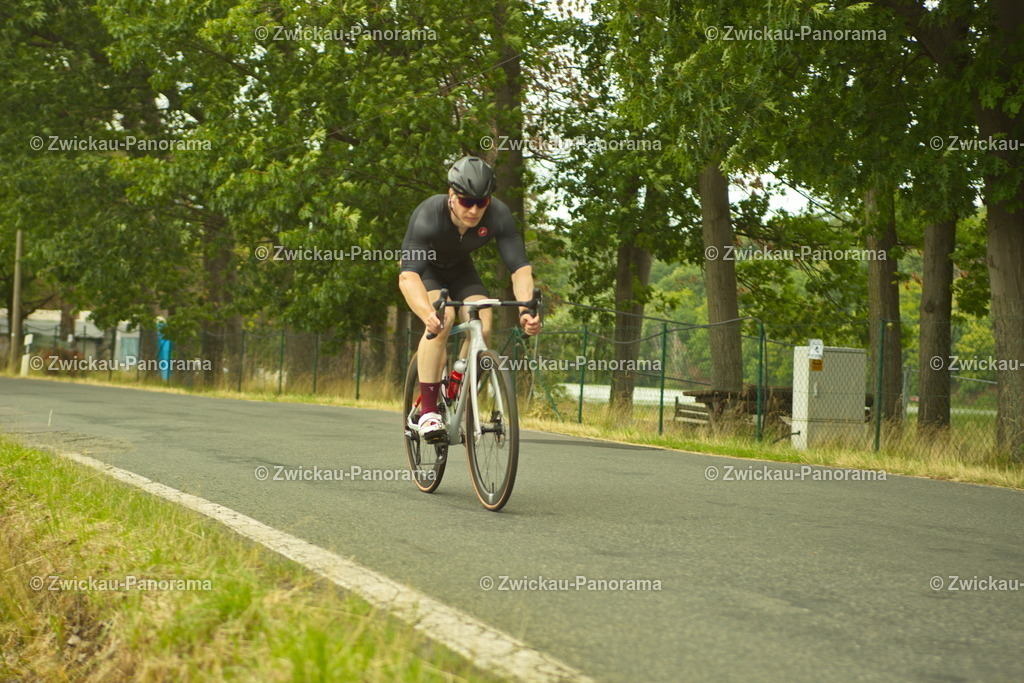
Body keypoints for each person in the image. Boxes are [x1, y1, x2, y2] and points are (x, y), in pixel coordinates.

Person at [399, 156, 541, 443]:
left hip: (462, 272)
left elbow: (520, 268)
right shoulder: (429, 213)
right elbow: (407, 276)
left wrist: (526, 308)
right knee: (444, 320)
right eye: (466, 202)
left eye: (482, 202)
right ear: (451, 196)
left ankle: (455, 387)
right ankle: (428, 411)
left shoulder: (498, 214)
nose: (474, 210)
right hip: (427, 272)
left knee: (484, 322)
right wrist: (428, 313)